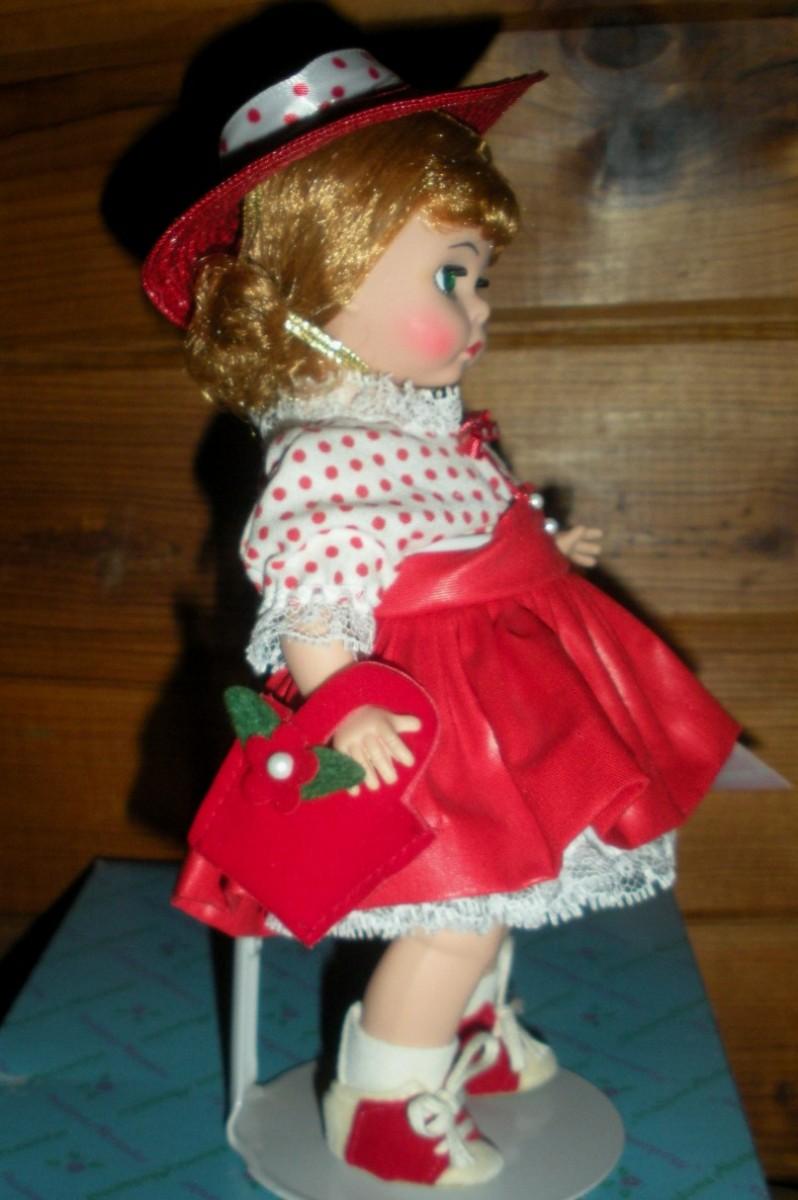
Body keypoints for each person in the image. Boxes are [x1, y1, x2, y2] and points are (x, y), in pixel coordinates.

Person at [143, 48, 739, 1187]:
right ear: (318, 299)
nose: (480, 307)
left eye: (480, 275)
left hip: (503, 693)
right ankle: (381, 1097)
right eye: (450, 277)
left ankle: (465, 1030)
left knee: (504, 894)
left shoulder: (419, 424)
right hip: (428, 718)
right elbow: (312, 596)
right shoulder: (328, 455)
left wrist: (542, 549)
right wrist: (343, 703)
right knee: (456, 909)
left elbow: (467, 520)